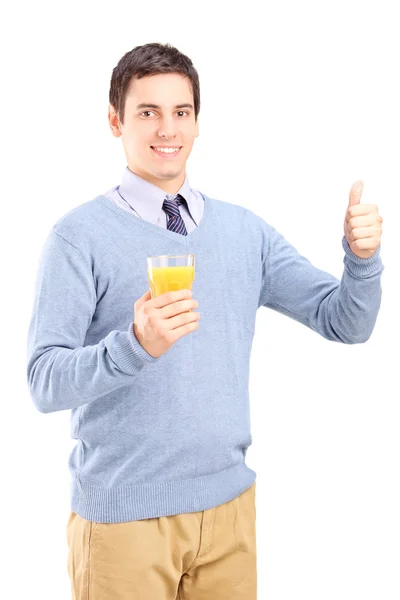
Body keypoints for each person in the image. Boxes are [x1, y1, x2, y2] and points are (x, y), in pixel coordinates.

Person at [26, 42, 384, 600]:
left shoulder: (245, 233)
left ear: (196, 124)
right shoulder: (79, 237)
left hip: (228, 516)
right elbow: (44, 383)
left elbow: (345, 322)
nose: (167, 128)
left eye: (181, 112)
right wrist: (134, 346)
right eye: (148, 112)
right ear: (116, 121)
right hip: (125, 523)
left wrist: (361, 263)